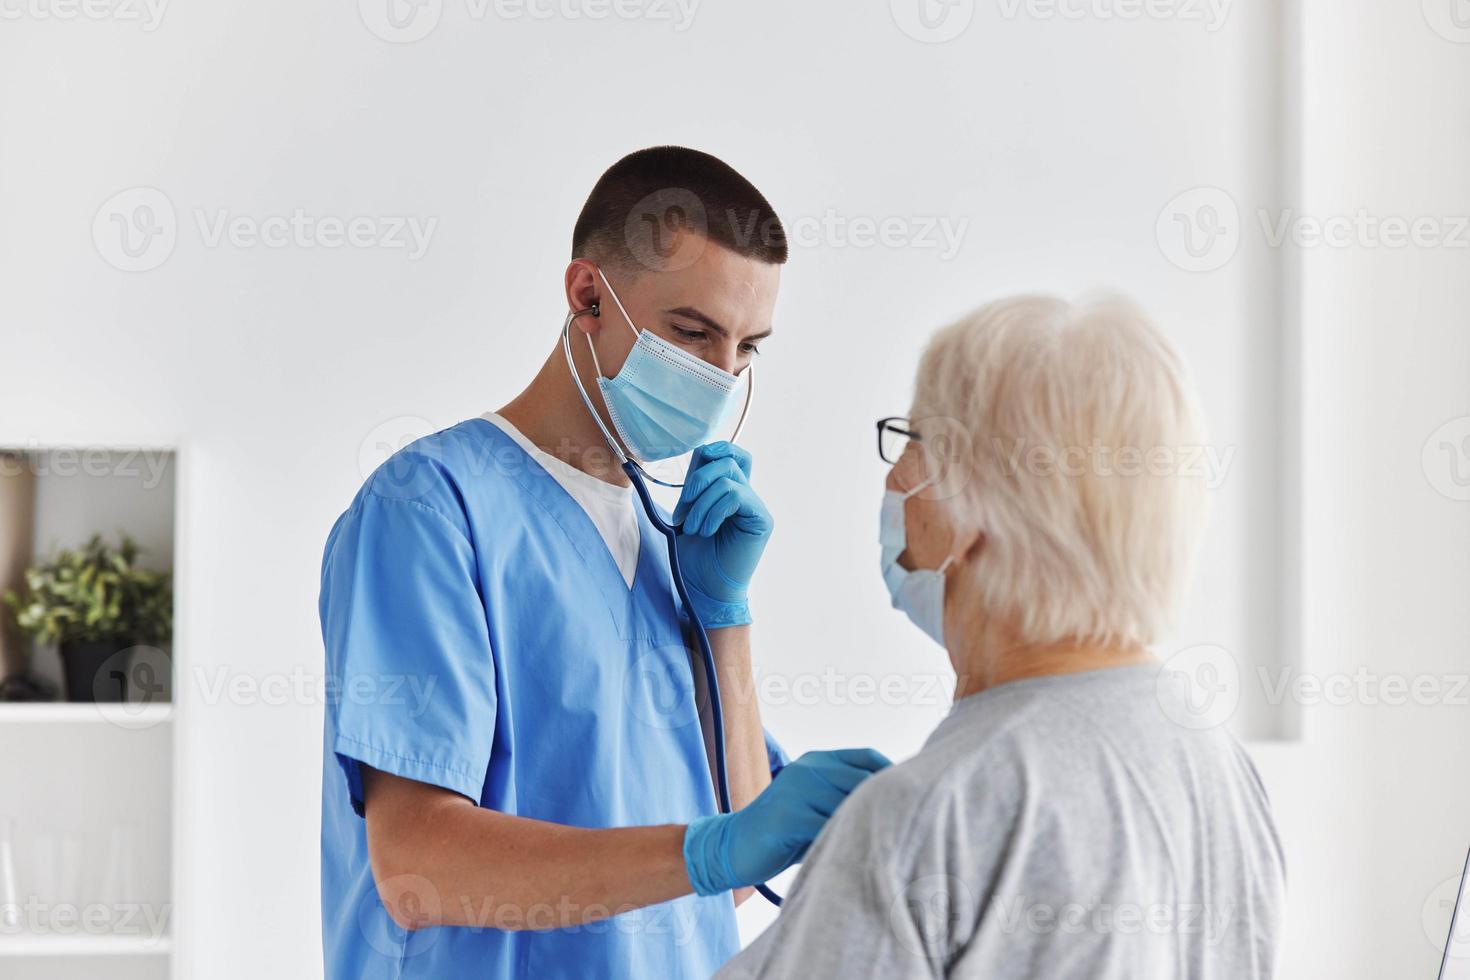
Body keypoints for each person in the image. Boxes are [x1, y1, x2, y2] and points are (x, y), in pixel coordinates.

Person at [317, 146, 890, 979]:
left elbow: (727, 874)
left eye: (747, 347)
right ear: (589, 295)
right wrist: (711, 850)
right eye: (692, 332)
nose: (720, 375)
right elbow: (416, 867)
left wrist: (726, 619)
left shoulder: (675, 540)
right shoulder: (430, 511)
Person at [715, 294, 1287, 979]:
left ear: (968, 505)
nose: (895, 476)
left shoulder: (929, 811)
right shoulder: (1216, 764)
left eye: (914, 441)